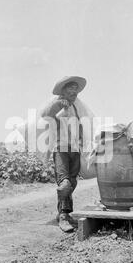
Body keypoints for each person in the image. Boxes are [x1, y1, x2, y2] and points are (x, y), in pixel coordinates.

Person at [40, 76, 87, 232]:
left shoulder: (75, 107)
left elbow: (79, 126)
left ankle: (65, 212)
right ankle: (63, 217)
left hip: (74, 149)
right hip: (61, 148)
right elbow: (45, 114)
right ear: (63, 91)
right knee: (64, 183)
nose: (74, 92)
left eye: (76, 89)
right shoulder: (58, 103)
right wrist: (59, 103)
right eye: (71, 89)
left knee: (72, 182)